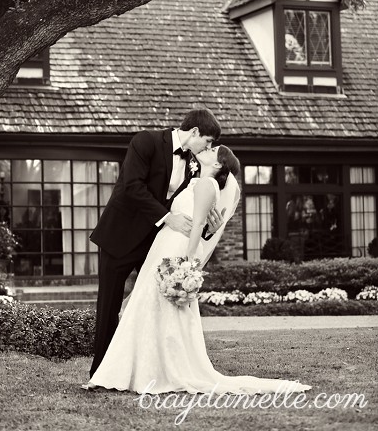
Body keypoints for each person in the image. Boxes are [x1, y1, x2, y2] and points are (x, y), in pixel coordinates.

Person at [87, 145, 310, 394]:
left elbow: (199, 226)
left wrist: (186, 263)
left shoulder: (206, 185)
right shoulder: (195, 182)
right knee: (149, 305)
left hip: (178, 247)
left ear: (217, 165)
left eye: (213, 149)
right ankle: (141, 368)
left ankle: (162, 369)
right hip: (166, 243)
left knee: (160, 306)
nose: (207, 148)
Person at [88, 108, 223, 377]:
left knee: (153, 304)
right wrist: (167, 217)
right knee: (109, 306)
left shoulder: (194, 165)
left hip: (155, 244)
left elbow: (188, 208)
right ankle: (101, 371)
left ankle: (152, 368)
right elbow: (131, 186)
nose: (208, 148)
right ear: (194, 132)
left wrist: (208, 228)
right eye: (207, 142)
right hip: (120, 236)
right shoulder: (146, 141)